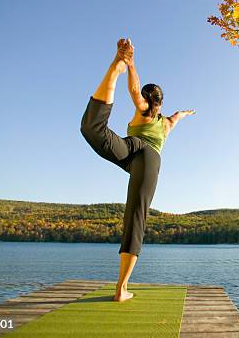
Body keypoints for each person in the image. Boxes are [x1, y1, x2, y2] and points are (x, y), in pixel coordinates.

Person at [80, 38, 195, 302]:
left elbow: (133, 90)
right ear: (161, 102)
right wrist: (186, 113)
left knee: (93, 131)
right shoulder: (166, 121)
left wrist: (130, 65)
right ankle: (121, 289)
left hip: (135, 151)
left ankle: (113, 69)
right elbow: (178, 115)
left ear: (147, 99)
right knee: (136, 215)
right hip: (145, 157)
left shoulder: (145, 111)